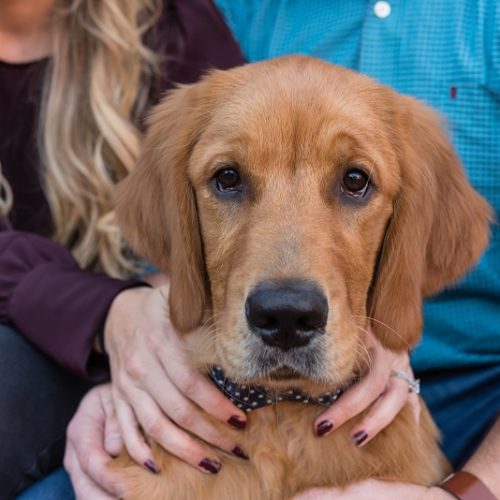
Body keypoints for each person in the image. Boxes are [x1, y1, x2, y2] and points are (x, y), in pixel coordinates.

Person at [1, 1, 418, 499]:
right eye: (229, 179)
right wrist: (109, 321)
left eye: (354, 181)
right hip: (62, 338)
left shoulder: (171, 22)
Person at [212, 0, 500, 498]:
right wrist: (124, 333)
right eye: (232, 178)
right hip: (231, 376)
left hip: (482, 394)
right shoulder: (233, 13)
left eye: (354, 181)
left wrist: (470, 491)